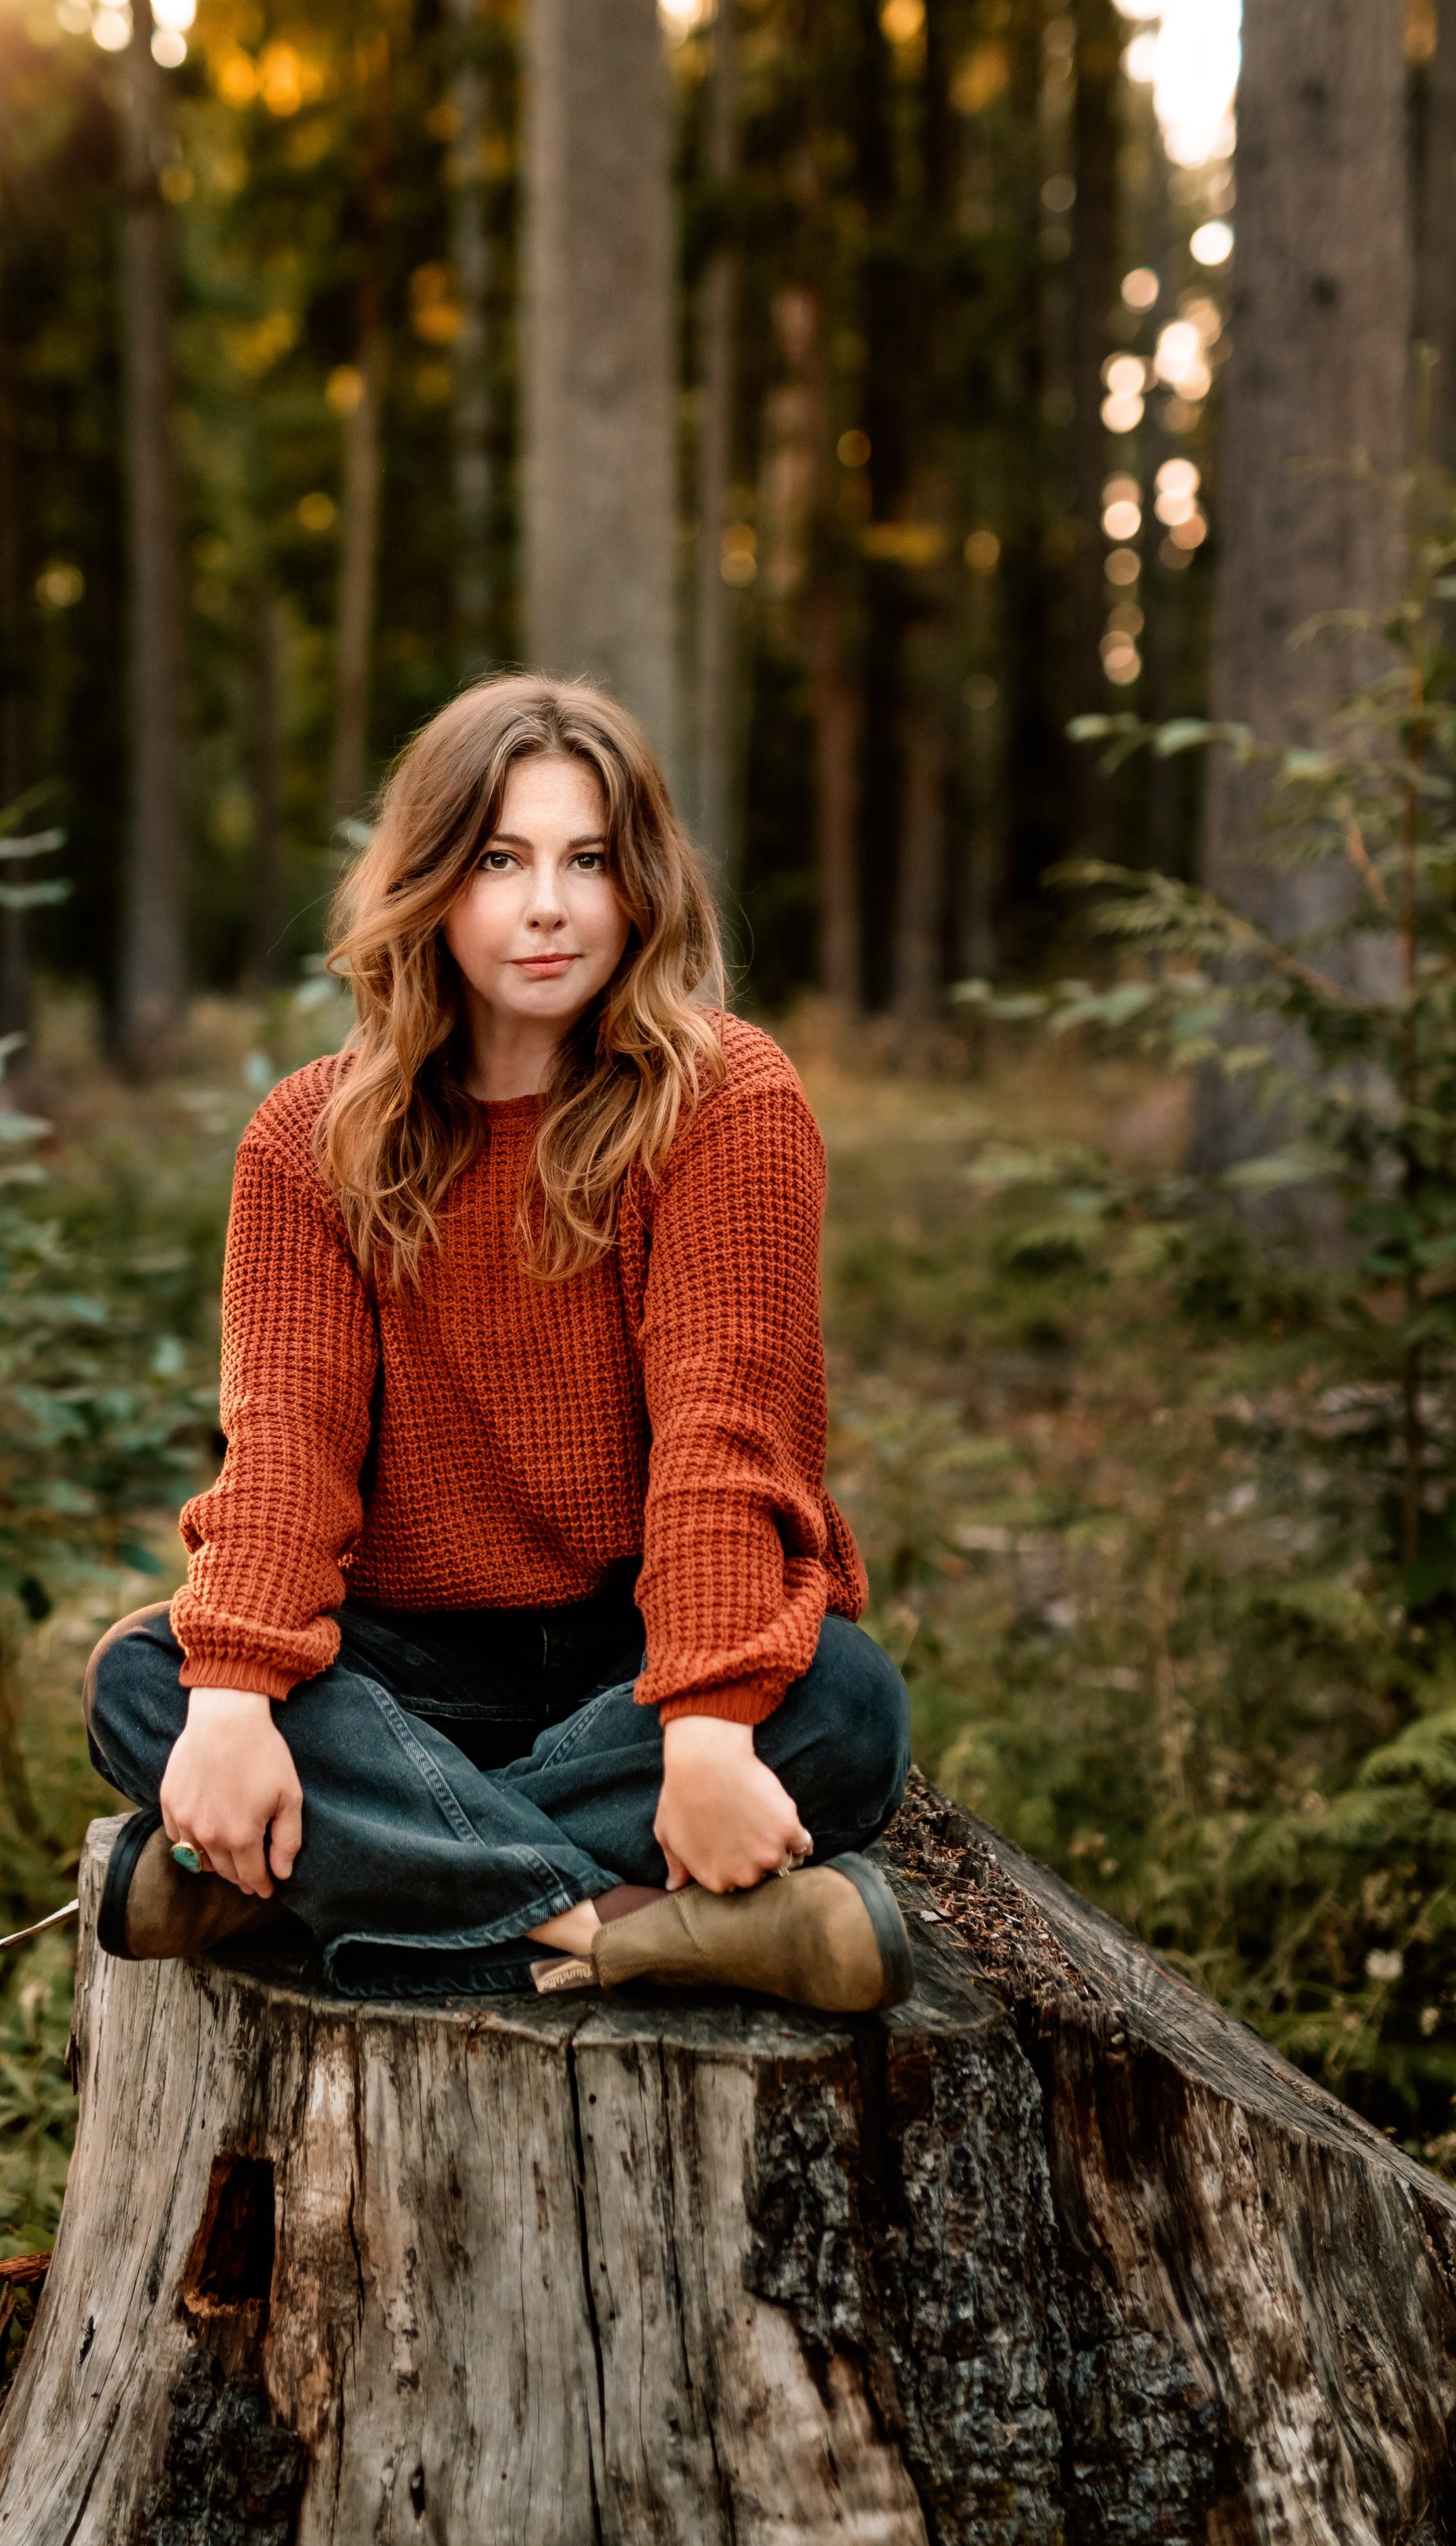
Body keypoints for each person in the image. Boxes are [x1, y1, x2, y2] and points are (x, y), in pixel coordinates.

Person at [84, 675, 912, 2010]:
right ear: (430, 885)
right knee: (150, 1678)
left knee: (845, 1705)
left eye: (588, 859)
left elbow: (723, 1433)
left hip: (635, 1654)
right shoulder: (310, 1137)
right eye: (499, 859)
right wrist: (237, 1697)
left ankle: (303, 1883)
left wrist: (702, 1722)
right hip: (398, 1667)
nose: (549, 906)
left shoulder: (725, 1098)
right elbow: (285, 1442)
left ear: (638, 881)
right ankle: (635, 1929)